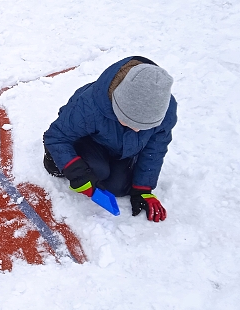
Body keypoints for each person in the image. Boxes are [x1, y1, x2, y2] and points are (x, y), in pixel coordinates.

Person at [42, 56, 177, 222]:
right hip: (90, 141)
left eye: (143, 126)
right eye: (128, 120)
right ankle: (55, 158)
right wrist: (77, 172)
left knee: (118, 188)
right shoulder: (90, 105)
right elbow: (56, 136)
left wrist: (143, 188)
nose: (136, 129)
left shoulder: (165, 111)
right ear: (117, 103)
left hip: (121, 148)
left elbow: (154, 149)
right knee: (97, 171)